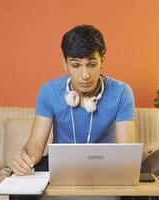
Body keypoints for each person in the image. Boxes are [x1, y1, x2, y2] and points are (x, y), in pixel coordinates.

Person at [12, 24, 136, 176]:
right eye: (76, 65)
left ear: (102, 61)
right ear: (65, 64)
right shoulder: (48, 91)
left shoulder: (122, 92)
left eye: (91, 64)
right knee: (21, 185)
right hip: (60, 164)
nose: (85, 75)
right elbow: (36, 143)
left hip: (103, 164)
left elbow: (127, 150)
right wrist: (27, 158)